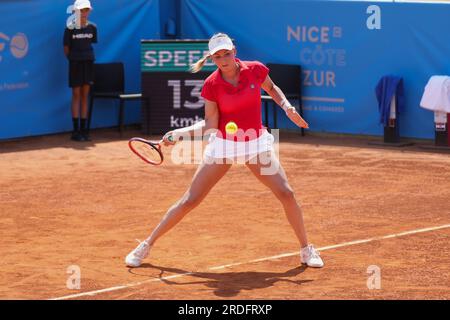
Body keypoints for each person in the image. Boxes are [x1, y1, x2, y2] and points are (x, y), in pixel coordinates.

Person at [125, 33, 324, 268]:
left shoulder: (255, 69)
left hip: (255, 142)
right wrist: (180, 134)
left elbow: (272, 88)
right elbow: (210, 125)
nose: (223, 59)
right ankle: (146, 245)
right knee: (190, 200)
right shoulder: (211, 85)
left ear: (234, 52)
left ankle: (305, 249)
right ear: (212, 59)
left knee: (286, 193)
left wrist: (287, 107)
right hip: (224, 145)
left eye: (227, 54)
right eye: (218, 56)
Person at [63, 0, 97, 141]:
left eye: (86, 9)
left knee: (85, 95)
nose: (84, 12)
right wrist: (74, 59)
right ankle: (75, 131)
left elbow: (91, 44)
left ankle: (84, 131)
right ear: (75, 11)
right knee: (76, 94)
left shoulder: (93, 28)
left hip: (88, 63)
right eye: (82, 10)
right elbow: (66, 49)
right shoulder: (69, 29)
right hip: (75, 63)